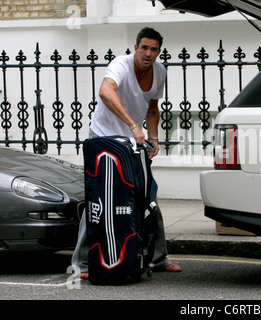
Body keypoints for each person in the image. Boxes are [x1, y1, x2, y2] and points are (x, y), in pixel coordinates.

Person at [71, 27, 182, 279]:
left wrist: (152, 137)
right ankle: (83, 263)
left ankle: (157, 258)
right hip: (104, 138)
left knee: (147, 194)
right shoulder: (120, 65)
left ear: (158, 52)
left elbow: (152, 107)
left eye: (154, 49)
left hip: (133, 141)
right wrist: (134, 125)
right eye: (144, 47)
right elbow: (105, 91)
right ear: (135, 48)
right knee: (99, 199)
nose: (148, 53)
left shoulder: (159, 71)